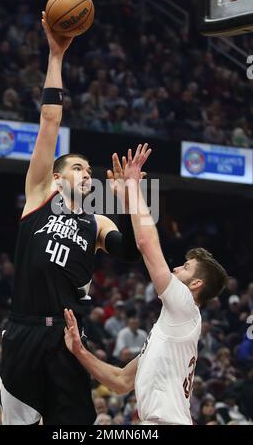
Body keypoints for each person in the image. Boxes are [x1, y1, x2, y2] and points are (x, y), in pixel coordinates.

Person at [0, 12, 141, 425]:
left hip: (68, 338)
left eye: (87, 169)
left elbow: (131, 252)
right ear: (57, 177)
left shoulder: (97, 223)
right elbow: (50, 120)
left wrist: (130, 200)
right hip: (23, 330)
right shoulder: (39, 196)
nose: (86, 172)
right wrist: (56, 54)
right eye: (76, 167)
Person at [64, 143, 228, 425]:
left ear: (196, 284)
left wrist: (134, 189)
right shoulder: (170, 330)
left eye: (186, 267)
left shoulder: (185, 305)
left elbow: (146, 244)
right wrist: (80, 351)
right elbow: (120, 381)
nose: (177, 267)